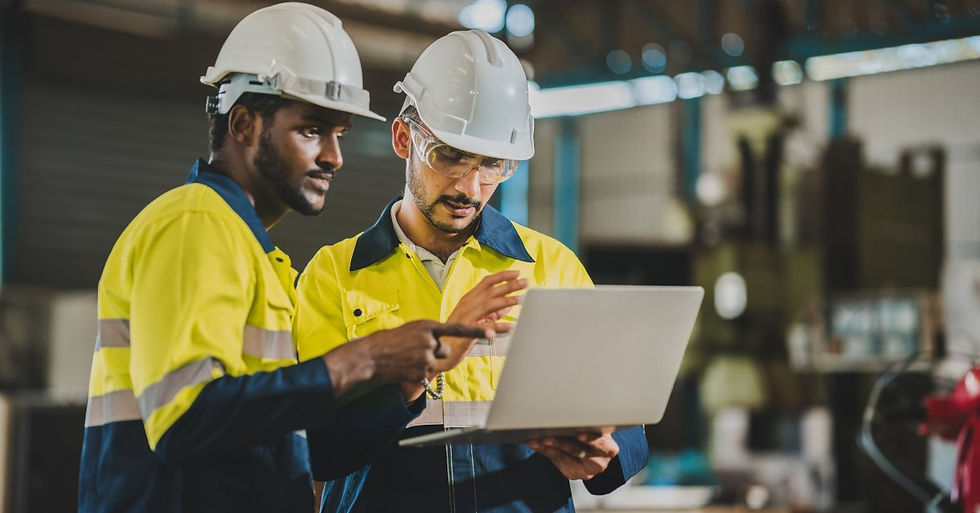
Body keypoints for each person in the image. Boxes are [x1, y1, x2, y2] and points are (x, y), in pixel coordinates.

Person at [77, 5, 495, 512]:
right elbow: (184, 421)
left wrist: (409, 381)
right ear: (245, 123)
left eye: (339, 134)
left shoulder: (256, 255)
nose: (334, 157)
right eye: (311, 130)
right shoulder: (197, 221)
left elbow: (300, 444)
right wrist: (364, 358)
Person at [294, 29, 650, 513]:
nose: (470, 185)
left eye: (492, 164)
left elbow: (624, 424)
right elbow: (321, 448)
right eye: (450, 155)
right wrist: (423, 366)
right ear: (404, 138)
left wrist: (605, 456)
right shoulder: (334, 276)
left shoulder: (551, 267)